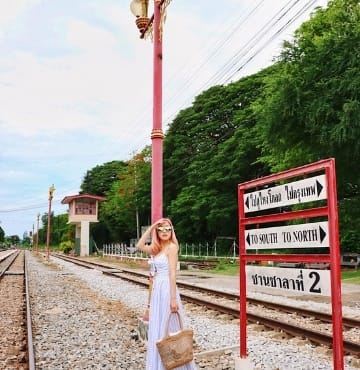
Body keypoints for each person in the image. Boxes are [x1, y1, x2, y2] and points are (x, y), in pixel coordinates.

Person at [136, 218, 197, 370]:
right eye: (161, 229)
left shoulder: (172, 247)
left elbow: (172, 273)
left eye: (168, 229)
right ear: (157, 232)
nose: (165, 232)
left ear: (172, 231)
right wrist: (151, 228)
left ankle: (176, 364)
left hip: (167, 289)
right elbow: (139, 245)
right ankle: (159, 364)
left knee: (169, 325)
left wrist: (173, 298)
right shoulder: (156, 248)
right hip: (158, 289)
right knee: (158, 325)